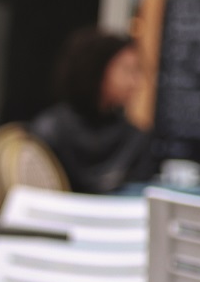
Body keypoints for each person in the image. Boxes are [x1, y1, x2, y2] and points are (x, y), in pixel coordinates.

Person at [28, 28, 153, 196]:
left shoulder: (135, 138)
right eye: (127, 70)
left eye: (137, 72)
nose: (135, 82)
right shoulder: (51, 130)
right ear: (96, 69)